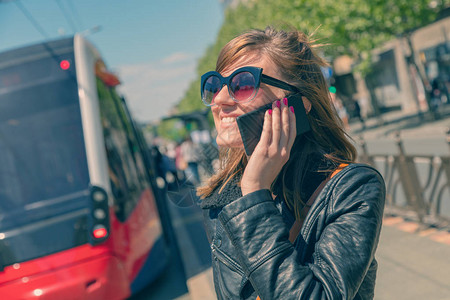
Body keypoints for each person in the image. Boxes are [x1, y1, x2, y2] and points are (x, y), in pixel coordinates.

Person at [197, 26, 385, 300]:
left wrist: (254, 192)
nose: (220, 100)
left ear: (297, 104)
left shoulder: (352, 188)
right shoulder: (221, 200)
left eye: (243, 84)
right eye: (215, 85)